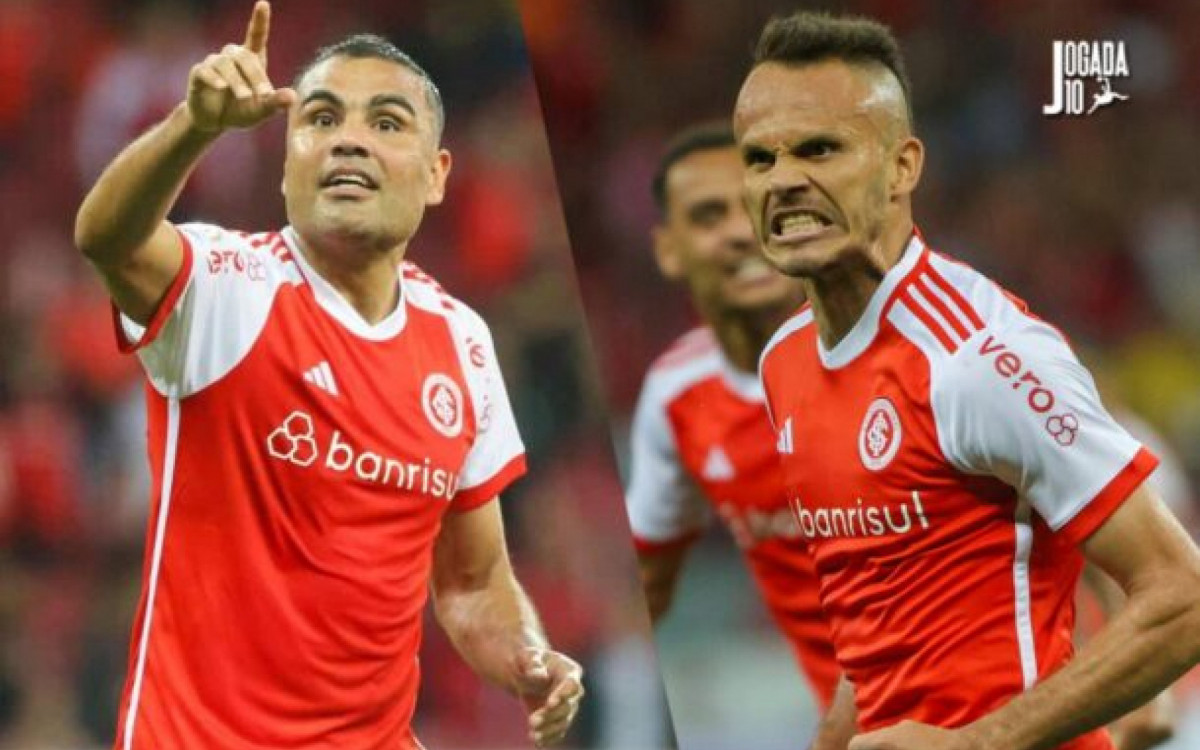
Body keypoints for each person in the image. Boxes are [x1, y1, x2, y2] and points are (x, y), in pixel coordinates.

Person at [73, 3, 583, 747]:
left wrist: (526, 656)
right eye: (321, 117)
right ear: (288, 166)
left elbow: (473, 583)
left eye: (387, 122)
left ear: (436, 175)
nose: (349, 138)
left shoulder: (462, 341)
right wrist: (194, 125)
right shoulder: (224, 285)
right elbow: (107, 240)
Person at [734, 11, 1200, 750]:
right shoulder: (783, 362)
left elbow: (1183, 598)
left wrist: (977, 742)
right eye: (759, 159)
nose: (785, 180)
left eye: (820, 149)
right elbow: (878, 616)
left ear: (902, 166)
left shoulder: (980, 357)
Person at [625, 123, 839, 710]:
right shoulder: (675, 393)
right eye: (709, 216)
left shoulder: (902, 351)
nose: (742, 232)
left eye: (755, 206)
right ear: (669, 250)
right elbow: (647, 584)